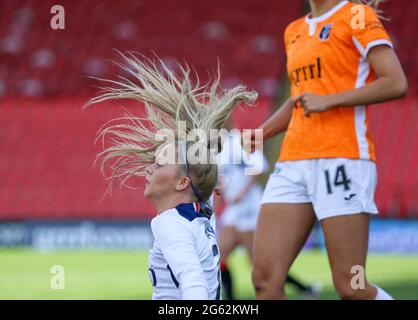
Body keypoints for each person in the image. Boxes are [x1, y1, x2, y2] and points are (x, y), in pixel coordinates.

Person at [246, 0, 408, 300]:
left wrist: (330, 100)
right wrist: (261, 133)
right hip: (292, 163)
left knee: (352, 285)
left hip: (342, 159)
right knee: (265, 280)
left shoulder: (357, 15)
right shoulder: (293, 30)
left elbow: (395, 82)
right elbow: (299, 99)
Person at [88, 53, 257, 299]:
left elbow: (194, 284)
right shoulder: (201, 212)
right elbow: (201, 177)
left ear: (181, 182)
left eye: (158, 164)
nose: (148, 169)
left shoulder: (171, 224)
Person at [217, 126, 320, 300]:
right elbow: (218, 180)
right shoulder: (213, 150)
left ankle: (305, 289)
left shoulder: (239, 141)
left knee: (260, 266)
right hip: (233, 211)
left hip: (250, 209)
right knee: (219, 259)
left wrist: (242, 192)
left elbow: (259, 166)